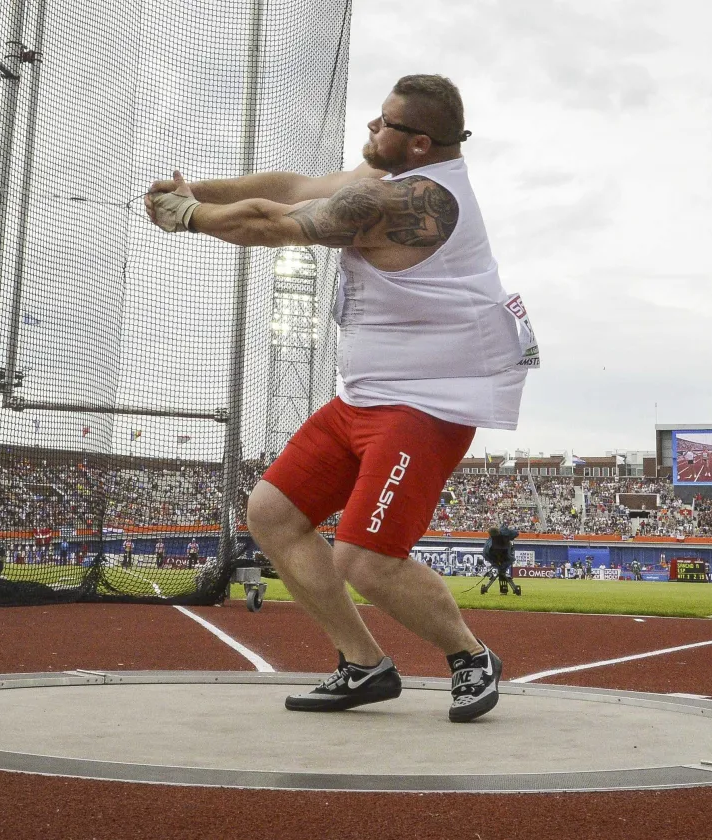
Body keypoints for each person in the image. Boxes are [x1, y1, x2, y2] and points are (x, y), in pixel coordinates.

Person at [146, 74, 533, 722]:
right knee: (271, 513)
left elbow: (273, 223)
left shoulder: (413, 202)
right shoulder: (385, 179)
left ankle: (470, 656)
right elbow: (293, 186)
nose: (369, 132)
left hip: (426, 404)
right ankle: (362, 664)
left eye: (382, 125)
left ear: (416, 144)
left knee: (366, 559)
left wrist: (188, 217)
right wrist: (197, 190)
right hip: (365, 397)